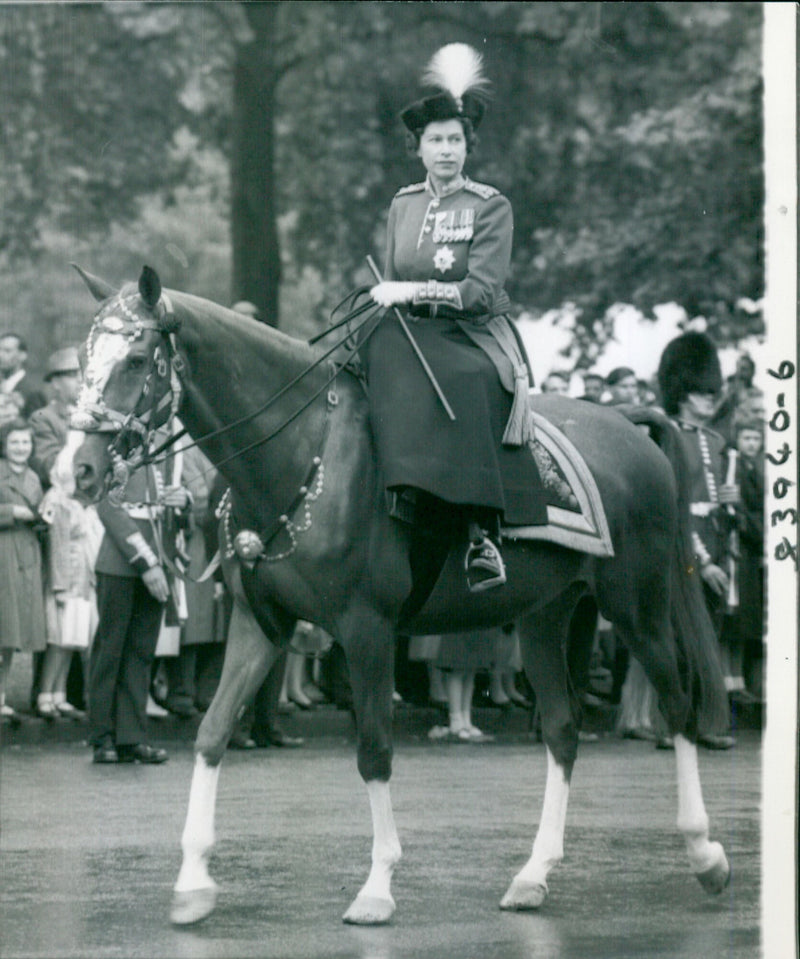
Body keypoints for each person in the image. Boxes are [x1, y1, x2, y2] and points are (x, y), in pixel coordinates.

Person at [366, 43, 547, 593]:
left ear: (468, 147)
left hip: (472, 333)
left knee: (463, 380)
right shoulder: (403, 205)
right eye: (436, 140)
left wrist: (414, 289)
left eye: (456, 140)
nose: (447, 150)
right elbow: (391, 274)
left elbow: (479, 289)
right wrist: (387, 296)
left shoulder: (490, 205)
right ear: (418, 148)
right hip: (411, 328)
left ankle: (479, 533)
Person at [87, 429, 192, 764]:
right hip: (121, 562)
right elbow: (108, 506)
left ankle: (131, 736)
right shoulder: (117, 447)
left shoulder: (168, 452)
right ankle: (102, 736)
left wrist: (183, 501)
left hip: (159, 558)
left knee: (141, 652)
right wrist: (145, 562)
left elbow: (169, 513)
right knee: (111, 650)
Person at [657, 330, 738, 749]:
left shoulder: (717, 441)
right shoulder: (667, 433)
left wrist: (732, 500)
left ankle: (704, 722)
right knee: (682, 637)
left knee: (711, 632)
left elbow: (719, 502)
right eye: (702, 392)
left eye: (713, 391)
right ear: (683, 392)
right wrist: (702, 559)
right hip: (682, 544)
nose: (711, 398)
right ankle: (677, 724)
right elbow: (673, 503)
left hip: (717, 540)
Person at [0, 419, 47, 723]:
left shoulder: (34, 478)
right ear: (4, 446)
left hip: (27, 555)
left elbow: (41, 516)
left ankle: (1, 697)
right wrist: (9, 512)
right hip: (3, 553)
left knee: (12, 634)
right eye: (15, 442)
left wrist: (45, 517)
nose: (20, 448)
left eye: (25, 443)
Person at [0, 332, 46, 418]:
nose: (0, 355)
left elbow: (38, 424)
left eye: (7, 351)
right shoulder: (2, 384)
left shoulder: (32, 391)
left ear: (22, 355)